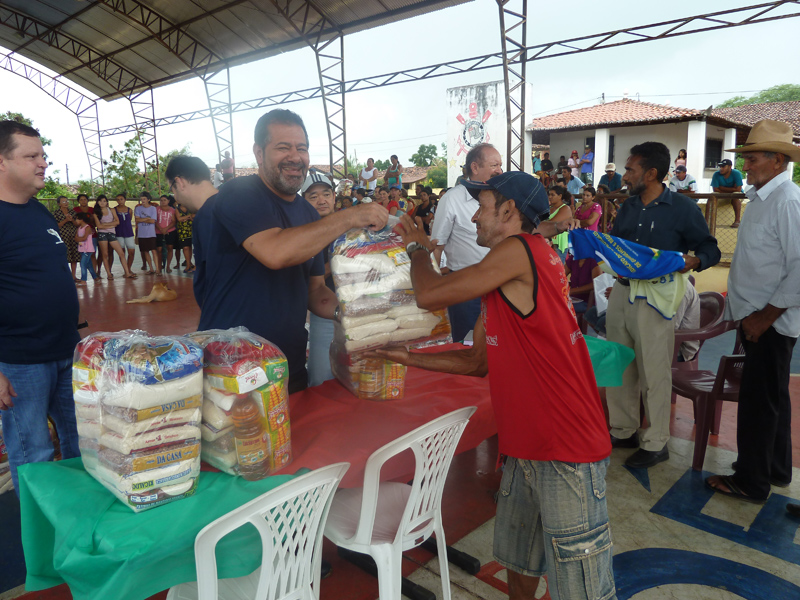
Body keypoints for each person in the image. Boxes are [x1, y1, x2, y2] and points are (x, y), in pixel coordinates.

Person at [370, 171, 614, 600]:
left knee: (581, 587)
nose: (474, 218)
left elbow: (430, 295)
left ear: (509, 212)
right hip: (526, 445)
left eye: (481, 208)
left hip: (565, 446)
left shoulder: (521, 249)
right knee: (520, 566)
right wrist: (407, 358)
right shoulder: (506, 273)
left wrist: (416, 247)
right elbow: (478, 361)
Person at [192, 108, 388, 392]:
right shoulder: (239, 194)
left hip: (287, 363)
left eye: (302, 148)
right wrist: (351, 216)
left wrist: (361, 316)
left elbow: (316, 291)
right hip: (231, 366)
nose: (295, 157)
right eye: (283, 147)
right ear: (259, 153)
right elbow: (275, 252)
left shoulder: (307, 214)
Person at [703, 120, 800, 510]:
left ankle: (751, 480)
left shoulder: (787, 201)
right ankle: (775, 469)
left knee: (759, 400)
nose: (747, 165)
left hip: (770, 322)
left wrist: (764, 317)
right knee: (772, 395)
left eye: (753, 158)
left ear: (777, 160)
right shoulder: (764, 198)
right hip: (758, 319)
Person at [606, 142, 720, 469]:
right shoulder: (628, 206)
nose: (625, 176)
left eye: (630, 169)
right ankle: (624, 429)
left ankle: (657, 441)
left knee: (654, 370)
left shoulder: (682, 209)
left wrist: (692, 260)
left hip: (656, 297)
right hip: (622, 292)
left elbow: (709, 249)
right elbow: (618, 245)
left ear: (651, 173)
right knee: (620, 364)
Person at [0, 120, 81, 495]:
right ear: (2, 162)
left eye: (43, 155)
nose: (43, 163)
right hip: (20, 362)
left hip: (66, 351)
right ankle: (40, 537)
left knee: (82, 442)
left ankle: (82, 518)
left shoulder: (39, 211)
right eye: (31, 156)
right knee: (34, 452)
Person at [431, 143, 502, 342]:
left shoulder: (503, 198)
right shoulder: (452, 199)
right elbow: (437, 247)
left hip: (500, 284)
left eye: (500, 165)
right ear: (475, 167)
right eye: (494, 165)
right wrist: (434, 289)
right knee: (467, 345)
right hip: (465, 287)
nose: (499, 170)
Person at [302, 171, 338, 387]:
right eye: (313, 197)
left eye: (326, 194)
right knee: (320, 377)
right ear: (302, 200)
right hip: (324, 315)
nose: (321, 200)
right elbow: (304, 280)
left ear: (334, 197)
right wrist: (336, 263)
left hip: (359, 312)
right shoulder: (301, 233)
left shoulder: (350, 228)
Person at [93, 195, 136, 279]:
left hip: (112, 233)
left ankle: (127, 272)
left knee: (121, 253)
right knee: (105, 254)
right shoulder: (96, 213)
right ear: (98, 202)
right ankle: (109, 274)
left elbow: (117, 222)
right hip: (102, 234)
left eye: (104, 201)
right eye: (100, 201)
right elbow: (98, 226)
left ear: (107, 202)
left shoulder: (112, 210)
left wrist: (105, 224)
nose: (102, 202)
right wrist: (110, 224)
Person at [134, 191, 161, 275]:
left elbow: (153, 221)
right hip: (142, 234)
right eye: (141, 199)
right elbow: (137, 220)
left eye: (144, 199)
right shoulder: (138, 208)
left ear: (148, 199)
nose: (142, 200)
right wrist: (147, 219)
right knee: (145, 251)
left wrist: (142, 219)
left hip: (151, 233)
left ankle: (157, 269)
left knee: (153, 250)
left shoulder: (153, 208)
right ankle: (151, 268)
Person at [53, 195, 79, 280]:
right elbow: (55, 226)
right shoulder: (56, 213)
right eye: (63, 201)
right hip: (63, 237)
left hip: (73, 236)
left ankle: (73, 276)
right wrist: (65, 220)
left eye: (67, 201)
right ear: (59, 204)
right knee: (64, 256)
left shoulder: (72, 212)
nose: (66, 203)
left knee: (74, 256)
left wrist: (72, 220)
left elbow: (77, 225)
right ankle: (65, 276)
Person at [711, 158, 744, 227]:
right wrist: (733, 189)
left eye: (723, 166)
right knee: (712, 196)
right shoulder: (716, 174)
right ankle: (708, 221)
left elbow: (738, 189)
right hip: (722, 196)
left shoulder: (736, 173)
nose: (721, 169)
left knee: (736, 195)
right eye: (720, 167)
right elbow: (715, 189)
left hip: (735, 196)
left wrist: (722, 188)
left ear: (730, 167)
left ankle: (737, 221)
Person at [73, 192, 99, 274]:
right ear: (78, 201)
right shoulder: (75, 210)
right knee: (83, 254)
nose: (83, 201)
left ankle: (94, 273)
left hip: (92, 234)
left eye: (85, 199)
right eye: (81, 200)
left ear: (87, 200)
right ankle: (84, 274)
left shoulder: (92, 210)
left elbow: (96, 222)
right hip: (80, 234)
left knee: (92, 253)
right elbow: (75, 223)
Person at [545, 185, 573, 261]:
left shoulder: (565, 208)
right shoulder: (550, 208)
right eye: (549, 194)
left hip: (558, 242)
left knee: (557, 266)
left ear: (560, 196)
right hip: (548, 241)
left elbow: (551, 223)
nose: (550, 197)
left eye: (552, 195)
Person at [113, 193, 136, 274]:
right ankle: (126, 270)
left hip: (129, 233)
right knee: (122, 253)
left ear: (125, 200)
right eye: (118, 199)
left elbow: (129, 219)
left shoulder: (129, 210)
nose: (120, 201)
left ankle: (129, 269)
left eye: (121, 199)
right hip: (119, 233)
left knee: (132, 251)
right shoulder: (114, 210)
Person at [74, 212, 100, 284]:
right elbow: (76, 238)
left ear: (81, 219)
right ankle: (95, 278)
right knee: (89, 265)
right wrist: (79, 239)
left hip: (87, 250)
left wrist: (79, 239)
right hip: (82, 249)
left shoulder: (87, 227)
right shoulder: (79, 228)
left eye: (77, 219)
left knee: (82, 264)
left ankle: (83, 280)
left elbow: (84, 238)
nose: (76, 221)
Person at [156, 194, 178, 272]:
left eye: (164, 200)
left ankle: (168, 266)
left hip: (170, 231)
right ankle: (159, 265)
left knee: (170, 248)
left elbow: (174, 221)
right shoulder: (156, 209)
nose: (163, 202)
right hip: (158, 231)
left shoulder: (172, 210)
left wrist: (166, 229)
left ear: (168, 201)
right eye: (161, 200)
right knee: (159, 249)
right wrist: (161, 229)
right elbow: (155, 220)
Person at [176, 202, 195, 273]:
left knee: (190, 247)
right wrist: (188, 217)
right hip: (182, 231)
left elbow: (194, 216)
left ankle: (190, 263)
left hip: (192, 229)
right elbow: (179, 219)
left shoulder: (191, 207)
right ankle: (188, 264)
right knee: (185, 247)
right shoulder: (177, 209)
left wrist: (185, 218)